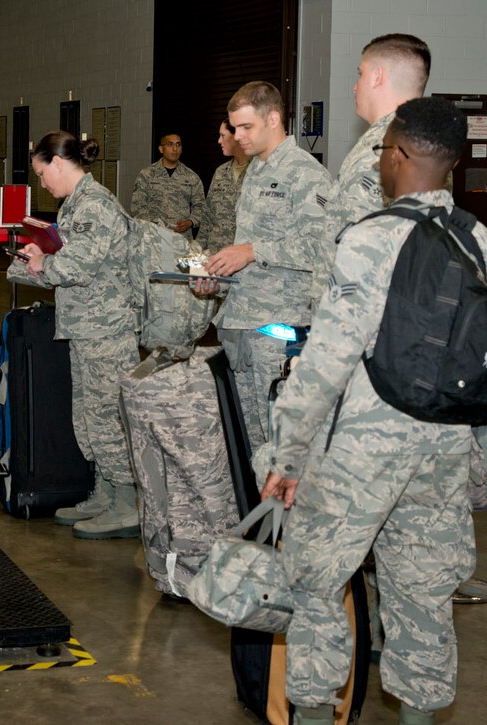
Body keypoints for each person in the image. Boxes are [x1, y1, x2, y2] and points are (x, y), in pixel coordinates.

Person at [260, 97, 480, 725]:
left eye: (384, 151)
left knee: (316, 580)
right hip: (445, 444)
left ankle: (310, 713)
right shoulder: (481, 241)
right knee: (423, 592)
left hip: (364, 444)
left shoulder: (367, 240)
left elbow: (325, 361)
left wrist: (287, 456)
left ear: (400, 155)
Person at [7, 131, 141, 540]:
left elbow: (77, 267)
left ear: (59, 163)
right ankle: (105, 492)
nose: (42, 183)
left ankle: (128, 504)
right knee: (89, 416)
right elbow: (68, 264)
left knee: (108, 417)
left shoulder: (94, 206)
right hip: (86, 328)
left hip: (107, 331)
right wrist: (37, 259)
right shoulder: (73, 206)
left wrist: (43, 262)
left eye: (42, 173)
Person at [200, 82, 332, 450]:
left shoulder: (306, 174)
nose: (236, 135)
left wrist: (252, 251)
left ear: (273, 118)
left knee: (281, 440)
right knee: (253, 439)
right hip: (244, 322)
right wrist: (220, 277)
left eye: (245, 127)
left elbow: (319, 248)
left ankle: (281, 510)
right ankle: (261, 507)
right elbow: (249, 252)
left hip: (279, 328)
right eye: (233, 127)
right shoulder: (255, 170)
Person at [311, 33, 431, 310]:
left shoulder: (405, 145)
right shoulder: (380, 140)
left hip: (365, 319)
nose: (355, 87)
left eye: (360, 74)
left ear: (377, 77)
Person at [130, 133, 206, 237]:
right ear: (161, 149)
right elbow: (138, 205)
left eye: (178, 145)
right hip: (154, 238)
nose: (175, 149)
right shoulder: (147, 174)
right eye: (170, 144)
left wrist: (190, 222)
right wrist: (154, 226)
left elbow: (201, 206)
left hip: (181, 238)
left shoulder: (191, 177)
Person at [196, 120, 250, 254]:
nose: (219, 141)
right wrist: (197, 249)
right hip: (216, 254)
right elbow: (208, 215)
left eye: (223, 135)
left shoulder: (259, 172)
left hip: (243, 259)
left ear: (236, 136)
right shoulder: (221, 172)